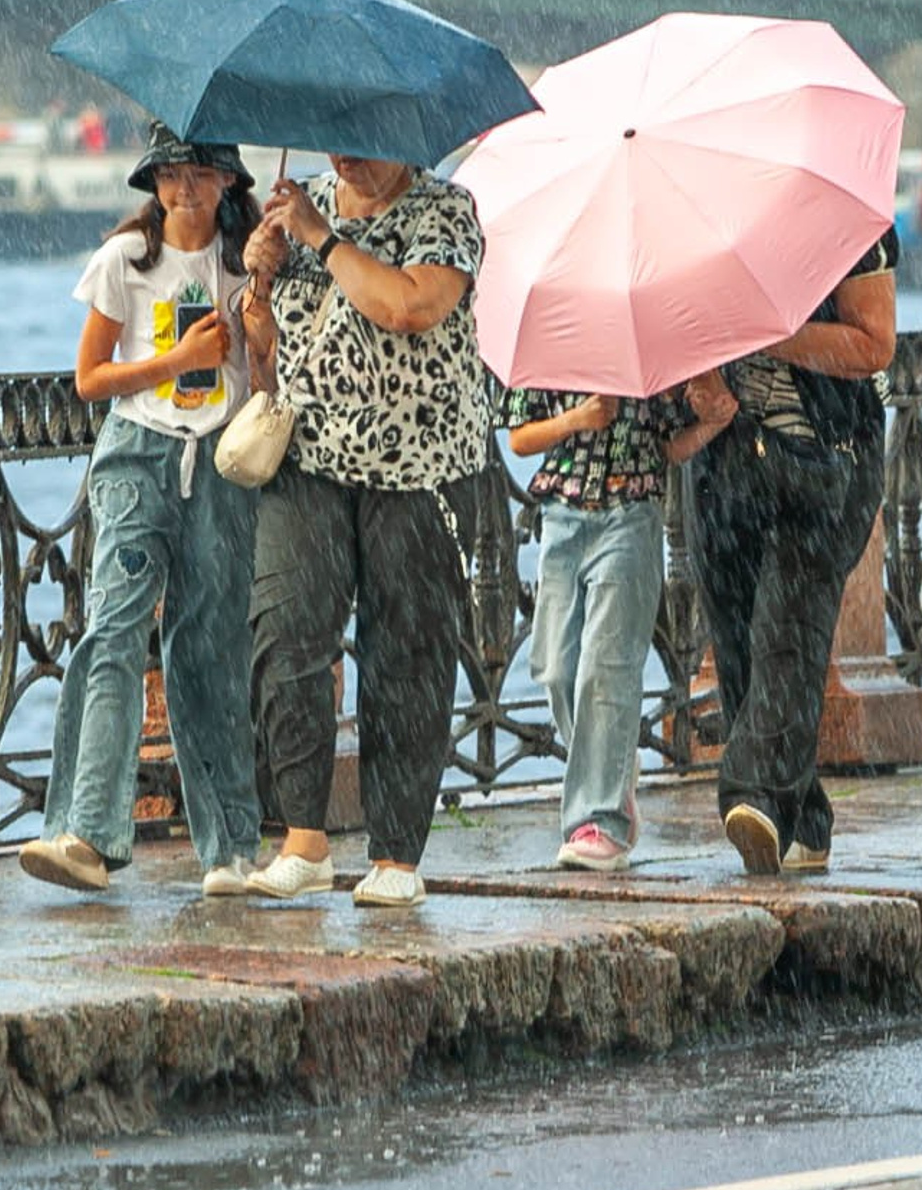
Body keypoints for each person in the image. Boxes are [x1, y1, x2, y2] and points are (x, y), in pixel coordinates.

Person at [238, 152, 492, 909]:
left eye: (363, 142)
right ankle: (304, 838)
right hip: (309, 457)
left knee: (406, 654)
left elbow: (408, 306)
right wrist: (256, 283)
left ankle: (395, 852)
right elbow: (266, 347)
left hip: (420, 466)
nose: (345, 157)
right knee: (284, 634)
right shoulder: (299, 202)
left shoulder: (445, 213)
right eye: (336, 139)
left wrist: (322, 239)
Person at [22, 127, 264, 900]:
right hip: (139, 454)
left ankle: (229, 848)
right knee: (115, 631)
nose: (183, 189)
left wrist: (260, 321)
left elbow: (266, 377)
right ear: (153, 184)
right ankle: (86, 831)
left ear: (226, 182)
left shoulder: (248, 263)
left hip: (223, 462)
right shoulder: (126, 261)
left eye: (198, 175)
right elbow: (91, 378)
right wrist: (176, 362)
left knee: (210, 647)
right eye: (170, 176)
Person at [688, 230, 899, 874]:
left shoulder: (846, 222)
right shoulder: (692, 230)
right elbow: (675, 333)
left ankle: (754, 796)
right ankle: (804, 817)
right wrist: (698, 382)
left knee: (788, 632)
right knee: (738, 644)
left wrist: (769, 335)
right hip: (722, 462)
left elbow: (874, 344)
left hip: (823, 458)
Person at [498, 378, 730, 870]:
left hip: (631, 516)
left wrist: (711, 423)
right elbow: (520, 438)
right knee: (555, 669)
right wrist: (578, 419)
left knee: (606, 670)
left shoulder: (647, 359)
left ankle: (600, 821)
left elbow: (670, 446)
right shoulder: (551, 346)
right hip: (561, 517)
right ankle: (614, 768)